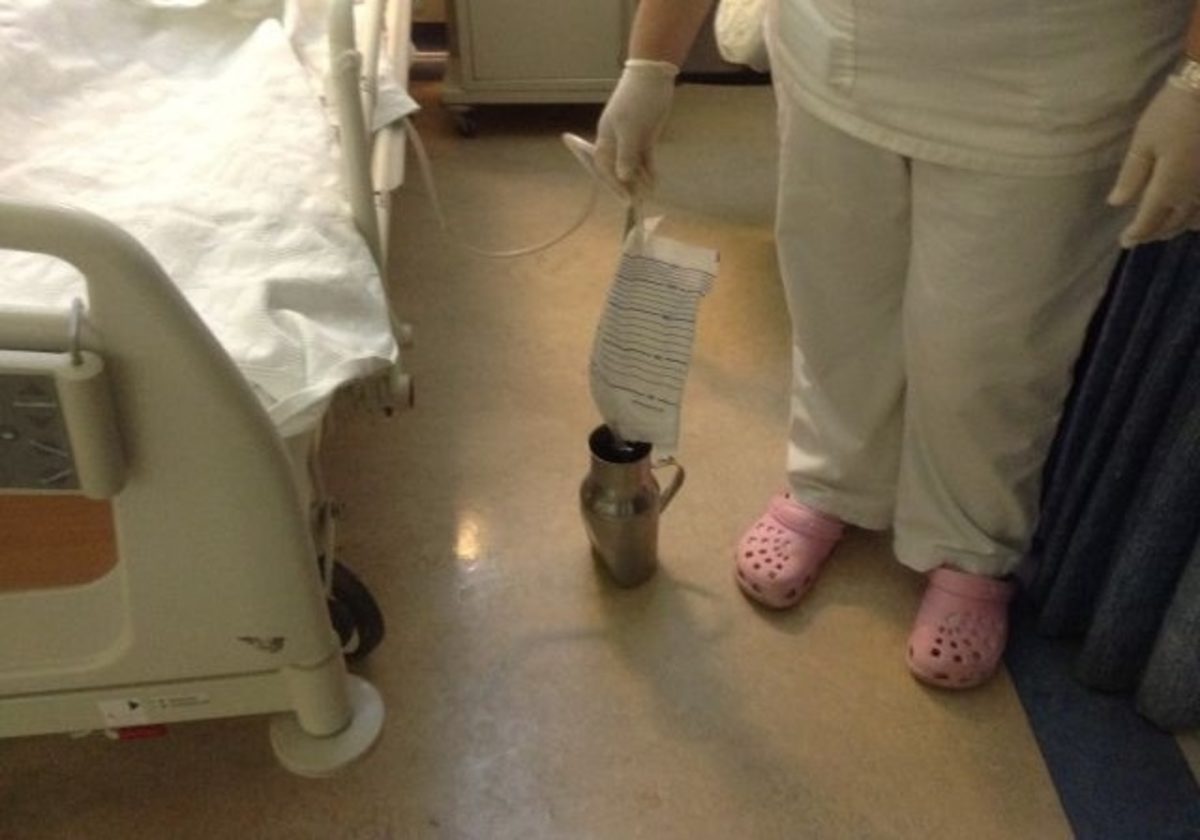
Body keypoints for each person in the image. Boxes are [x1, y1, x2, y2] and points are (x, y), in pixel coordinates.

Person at [592, 0, 1200, 688]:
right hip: (836, 47)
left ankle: (970, 543)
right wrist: (651, 61)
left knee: (989, 352)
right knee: (836, 299)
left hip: (1059, 76)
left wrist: (1196, 81)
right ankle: (833, 479)